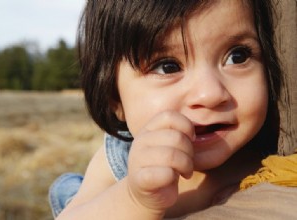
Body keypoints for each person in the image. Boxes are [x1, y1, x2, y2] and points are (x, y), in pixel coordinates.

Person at [49, 0, 286, 219]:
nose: (210, 94)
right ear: (115, 100)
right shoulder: (121, 156)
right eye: (168, 67)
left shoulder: (275, 153)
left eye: (237, 56)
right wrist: (134, 199)